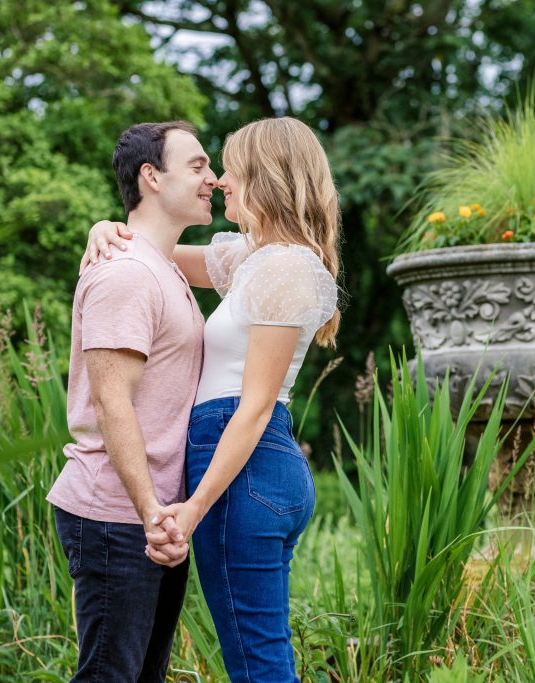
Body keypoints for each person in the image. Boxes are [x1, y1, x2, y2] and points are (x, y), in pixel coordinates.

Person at [81, 117, 341, 683]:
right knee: (258, 654)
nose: (221, 181)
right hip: (247, 465)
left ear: (266, 176)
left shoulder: (286, 269)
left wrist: (193, 507)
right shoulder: (256, 259)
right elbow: (156, 252)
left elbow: (254, 407)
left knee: (258, 663)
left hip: (243, 461)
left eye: (231, 168)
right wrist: (105, 227)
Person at [48, 120, 215, 682]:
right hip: (117, 513)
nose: (211, 179)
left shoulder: (163, 268)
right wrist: (150, 514)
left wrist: (166, 518)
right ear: (151, 176)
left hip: (155, 517)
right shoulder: (126, 274)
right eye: (197, 166)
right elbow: (110, 404)